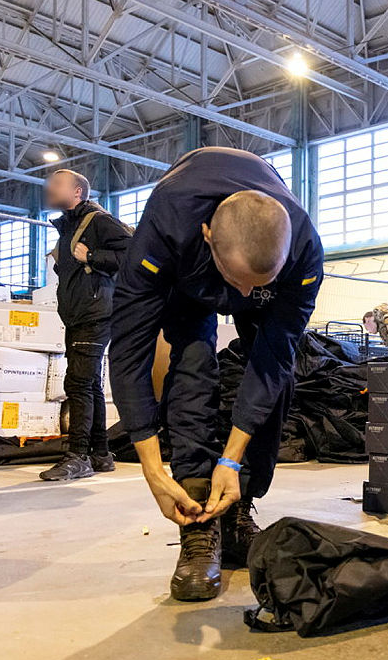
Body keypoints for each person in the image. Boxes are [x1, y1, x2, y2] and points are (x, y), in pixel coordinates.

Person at [109, 147, 323, 602]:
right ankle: (197, 519)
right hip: (188, 274)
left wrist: (232, 461)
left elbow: (272, 358)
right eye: (236, 280)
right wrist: (153, 469)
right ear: (208, 236)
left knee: (276, 377)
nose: (242, 294)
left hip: (257, 271)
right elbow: (129, 353)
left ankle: (237, 505)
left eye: (255, 285)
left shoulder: (304, 251)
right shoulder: (165, 229)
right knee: (191, 366)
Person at [39, 169, 132, 481]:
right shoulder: (70, 226)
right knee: (89, 383)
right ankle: (100, 454)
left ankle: (77, 456)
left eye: (57, 183)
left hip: (95, 313)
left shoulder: (97, 220)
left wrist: (92, 256)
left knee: (78, 384)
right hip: (79, 315)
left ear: (77, 191)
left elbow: (132, 254)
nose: (50, 187)